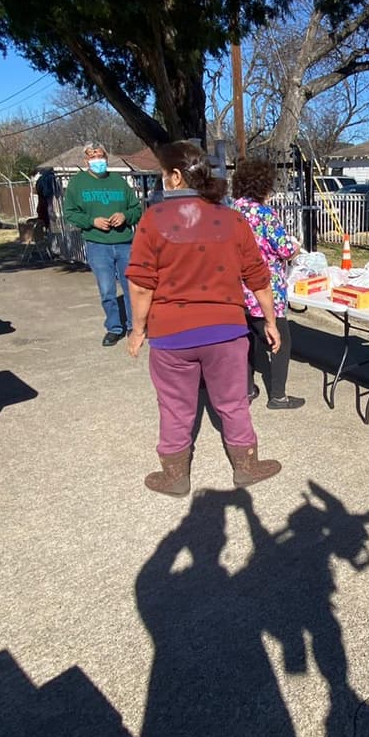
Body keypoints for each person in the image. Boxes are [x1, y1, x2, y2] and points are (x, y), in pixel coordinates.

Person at [125, 140, 283, 496]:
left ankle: (175, 477)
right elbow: (258, 277)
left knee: (175, 406)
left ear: (176, 176)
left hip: (170, 336)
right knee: (232, 402)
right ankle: (246, 467)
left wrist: (137, 331)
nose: (162, 180)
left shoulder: (153, 220)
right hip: (226, 333)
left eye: (164, 174)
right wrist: (271, 322)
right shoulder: (232, 219)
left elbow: (140, 285)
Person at [230, 157, 305, 409]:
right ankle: (278, 395)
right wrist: (296, 247)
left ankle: (247, 388)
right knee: (281, 341)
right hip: (265, 287)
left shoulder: (231, 210)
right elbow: (283, 249)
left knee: (247, 339)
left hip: (236, 287)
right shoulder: (264, 214)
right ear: (262, 185)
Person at [62, 141, 144, 346]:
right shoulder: (77, 184)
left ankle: (135, 326)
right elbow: (70, 213)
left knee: (131, 286)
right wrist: (92, 221)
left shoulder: (118, 182)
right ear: (86, 160)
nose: (97, 159)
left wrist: (125, 216)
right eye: (92, 156)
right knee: (107, 289)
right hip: (98, 244)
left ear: (106, 157)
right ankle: (115, 327)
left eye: (100, 156)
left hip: (124, 242)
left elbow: (136, 209)